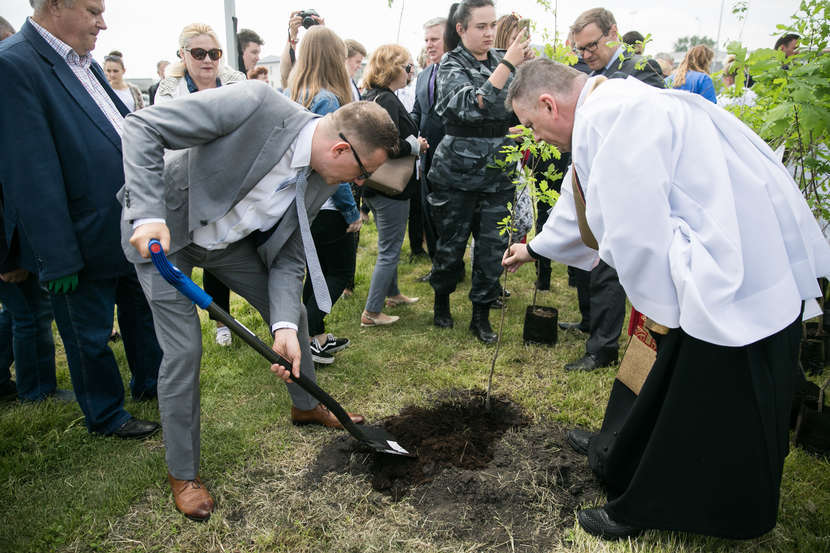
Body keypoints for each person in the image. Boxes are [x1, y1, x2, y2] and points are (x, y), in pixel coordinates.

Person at [503, 57, 830, 541]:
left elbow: (634, 228)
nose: (537, 136)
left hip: (721, 276)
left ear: (549, 104)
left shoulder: (614, 116)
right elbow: (586, 198)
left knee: (695, 396)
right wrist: (535, 248)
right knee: (653, 379)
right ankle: (617, 450)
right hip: (715, 261)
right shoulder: (612, 104)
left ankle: (654, 503)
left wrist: (658, 311)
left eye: (532, 124)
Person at [121, 81, 397, 521]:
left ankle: (305, 407)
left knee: (294, 315)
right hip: (165, 233)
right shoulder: (255, 104)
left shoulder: (322, 176)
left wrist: (283, 326)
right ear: (343, 151)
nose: (360, 183)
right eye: (363, 173)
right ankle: (183, 473)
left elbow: (289, 254)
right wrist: (150, 214)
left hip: (224, 243)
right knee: (184, 350)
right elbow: (141, 127)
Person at [0, 0, 161, 438]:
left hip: (124, 224)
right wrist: (58, 258)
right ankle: (107, 414)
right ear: (55, 4)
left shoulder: (81, 62)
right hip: (79, 235)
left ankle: (151, 384)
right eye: (93, 10)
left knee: (142, 314)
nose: (103, 22)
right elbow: (30, 171)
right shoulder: (14, 64)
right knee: (88, 336)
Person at [558, 6, 665, 372]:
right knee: (590, 260)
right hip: (593, 181)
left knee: (608, 267)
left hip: (627, 186)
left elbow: (649, 125)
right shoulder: (586, 75)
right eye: (580, 50)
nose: (586, 56)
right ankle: (590, 322)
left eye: (591, 47)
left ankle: (602, 349)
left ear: (613, 34)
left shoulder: (640, 70)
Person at [427, 0, 533, 343]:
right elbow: (473, 105)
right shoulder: (450, 64)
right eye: (481, 27)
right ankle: (441, 301)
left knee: (491, 250)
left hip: (498, 174)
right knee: (450, 248)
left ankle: (480, 316)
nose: (489, 33)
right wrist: (507, 65)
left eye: (492, 25)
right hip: (456, 175)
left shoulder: (506, 61)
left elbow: (520, 106)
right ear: (461, 29)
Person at [156, 22, 245, 347]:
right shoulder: (169, 91)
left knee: (224, 249)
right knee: (196, 250)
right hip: (187, 185)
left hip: (229, 182)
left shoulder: (235, 83)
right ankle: (214, 323)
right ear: (183, 54)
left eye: (214, 53)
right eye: (199, 53)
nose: (208, 60)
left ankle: (241, 321)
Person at [286, 25, 361, 364]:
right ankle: (311, 333)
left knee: (315, 270)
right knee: (339, 272)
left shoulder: (298, 91)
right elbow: (336, 163)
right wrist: (351, 211)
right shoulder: (329, 98)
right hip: (329, 202)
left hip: (306, 203)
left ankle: (313, 335)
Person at [359, 44, 426, 328]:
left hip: (375, 187)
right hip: (391, 189)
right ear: (393, 69)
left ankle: (393, 293)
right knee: (389, 249)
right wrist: (414, 145)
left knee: (390, 244)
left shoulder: (372, 96)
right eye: (407, 67)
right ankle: (372, 313)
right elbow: (383, 145)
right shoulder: (385, 99)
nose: (411, 72)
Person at [411, 17, 447, 282]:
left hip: (454, 158)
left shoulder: (460, 71)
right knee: (429, 213)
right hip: (427, 158)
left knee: (451, 217)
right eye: (426, 40)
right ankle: (438, 267)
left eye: (434, 39)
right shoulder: (424, 75)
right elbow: (418, 113)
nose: (429, 45)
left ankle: (452, 267)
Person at [280, 9, 325, 89]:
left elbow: (329, 65)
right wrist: (292, 34)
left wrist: (323, 33)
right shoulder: (295, 88)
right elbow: (286, 75)